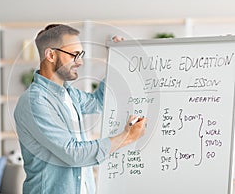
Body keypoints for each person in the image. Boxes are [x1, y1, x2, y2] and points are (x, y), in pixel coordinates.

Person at [14, 24, 146, 194]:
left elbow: (99, 102)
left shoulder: (68, 94)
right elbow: (74, 154)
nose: (80, 61)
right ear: (51, 55)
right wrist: (126, 137)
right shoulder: (35, 102)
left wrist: (117, 58)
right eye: (74, 55)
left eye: (80, 54)